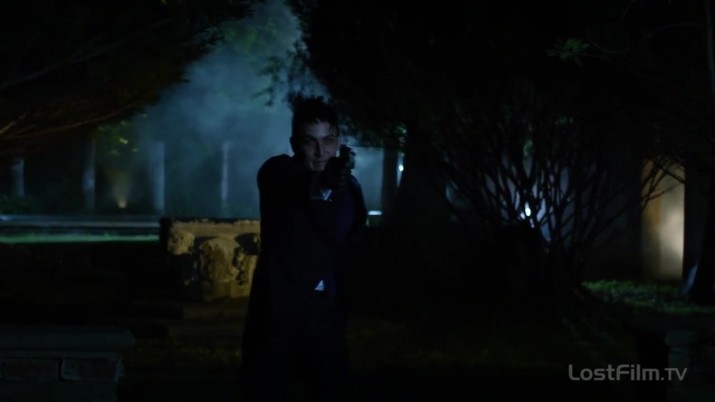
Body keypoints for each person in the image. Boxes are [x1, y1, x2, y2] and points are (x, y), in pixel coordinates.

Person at [240, 94, 367, 402]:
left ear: (338, 141)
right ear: (295, 144)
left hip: (328, 313)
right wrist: (323, 184)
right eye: (310, 141)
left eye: (328, 140)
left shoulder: (350, 187)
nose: (321, 151)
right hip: (280, 315)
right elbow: (298, 188)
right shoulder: (277, 172)